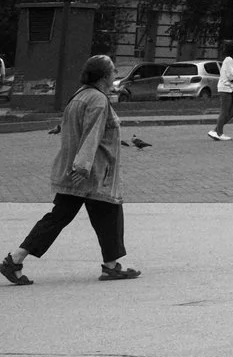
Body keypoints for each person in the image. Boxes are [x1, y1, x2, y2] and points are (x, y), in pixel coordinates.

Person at [1, 55, 138, 283]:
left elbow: (81, 127)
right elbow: (92, 133)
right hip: (89, 173)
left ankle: (15, 260)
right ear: (104, 76)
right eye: (113, 70)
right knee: (107, 213)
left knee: (63, 218)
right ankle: (111, 266)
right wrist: (82, 167)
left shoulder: (80, 95)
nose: (116, 74)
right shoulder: (97, 99)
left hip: (76, 170)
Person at [208, 42, 233, 140]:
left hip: (228, 88)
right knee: (224, 112)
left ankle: (215, 130)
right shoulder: (229, 59)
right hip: (225, 88)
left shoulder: (231, 60)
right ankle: (219, 133)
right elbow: (231, 75)